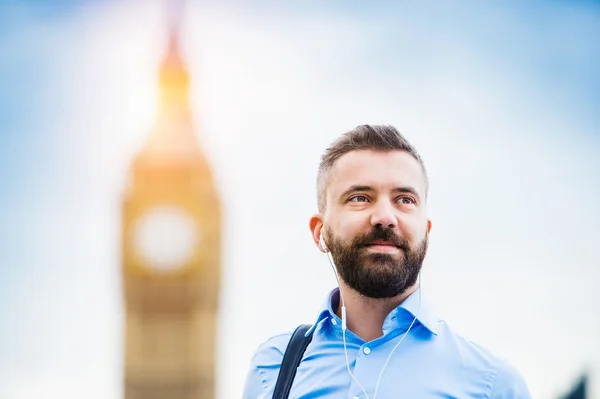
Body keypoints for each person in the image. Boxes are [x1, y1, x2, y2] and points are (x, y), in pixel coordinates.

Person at [242, 125, 531, 399]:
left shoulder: (493, 385)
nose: (384, 217)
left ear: (426, 233)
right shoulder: (273, 368)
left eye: (404, 199)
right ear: (320, 232)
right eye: (359, 197)